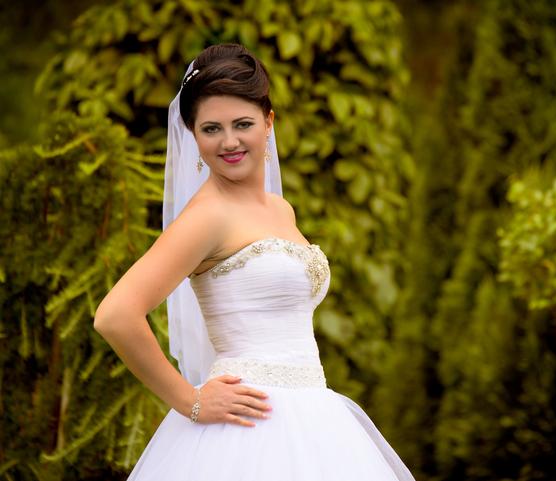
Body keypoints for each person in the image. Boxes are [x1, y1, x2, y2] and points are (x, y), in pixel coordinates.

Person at [94, 43, 415, 480]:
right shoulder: (206, 217)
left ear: (269, 122)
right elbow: (115, 315)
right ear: (192, 135)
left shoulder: (281, 210)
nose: (229, 142)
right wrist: (190, 400)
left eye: (242, 124)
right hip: (246, 425)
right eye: (211, 129)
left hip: (315, 416)